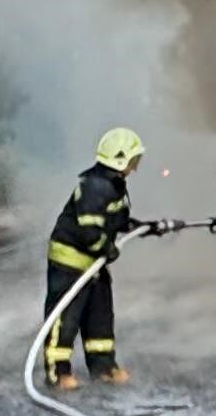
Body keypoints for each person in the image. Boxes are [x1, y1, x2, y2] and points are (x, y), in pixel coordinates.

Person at [42, 127, 148, 388]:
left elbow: (114, 219)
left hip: (93, 264)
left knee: (100, 316)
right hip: (70, 263)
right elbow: (89, 229)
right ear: (120, 159)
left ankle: (103, 367)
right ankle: (58, 373)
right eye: (133, 160)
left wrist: (136, 227)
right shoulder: (95, 186)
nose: (135, 167)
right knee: (65, 318)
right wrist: (105, 248)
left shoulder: (113, 184)